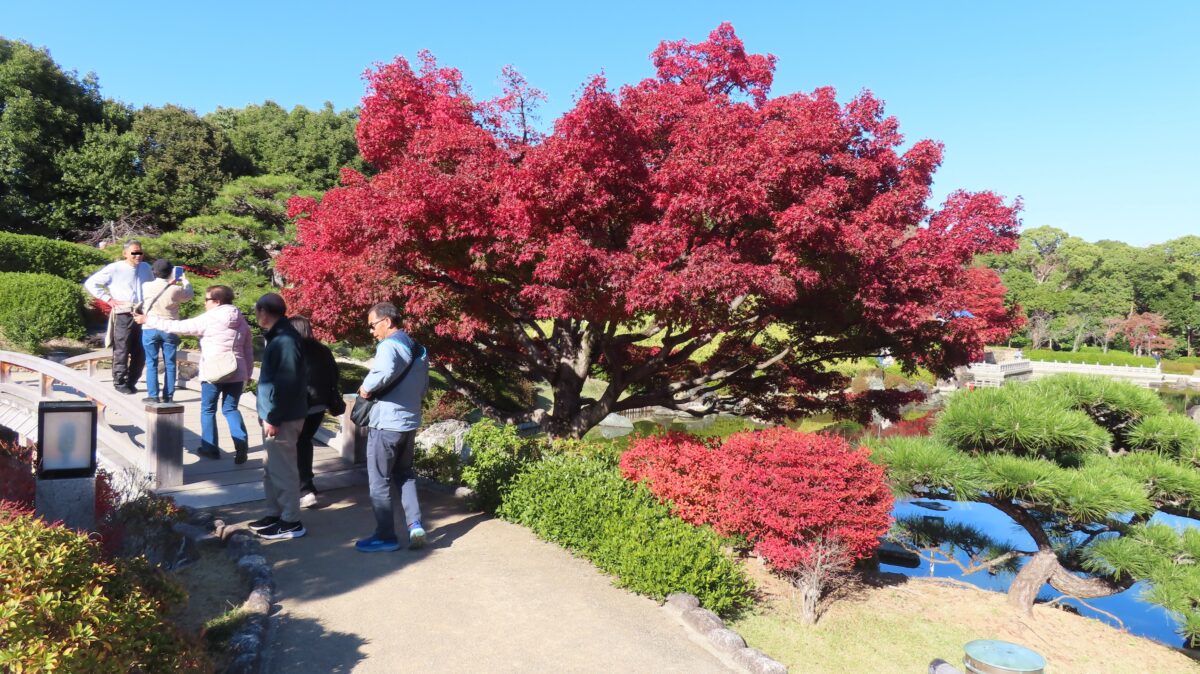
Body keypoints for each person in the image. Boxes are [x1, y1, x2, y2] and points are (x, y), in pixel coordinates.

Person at [135, 285, 253, 462]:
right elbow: (248, 350)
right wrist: (248, 373)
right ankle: (241, 443)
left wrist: (148, 320)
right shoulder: (241, 320)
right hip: (236, 370)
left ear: (217, 301)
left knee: (208, 409)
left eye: (207, 300)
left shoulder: (210, 318)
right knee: (230, 409)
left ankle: (210, 448)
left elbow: (178, 326)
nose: (204, 303)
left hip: (213, 372)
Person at [355, 301, 429, 553]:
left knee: (379, 480)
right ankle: (415, 525)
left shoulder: (388, 346)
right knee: (405, 475)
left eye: (373, 325)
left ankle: (385, 536)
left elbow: (384, 371)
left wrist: (366, 387)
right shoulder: (419, 349)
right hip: (409, 422)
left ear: (387, 321)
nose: (371, 331)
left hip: (386, 423)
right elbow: (423, 388)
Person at [246, 293, 308, 540]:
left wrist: (274, 416)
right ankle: (275, 514)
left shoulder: (285, 340)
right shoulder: (278, 337)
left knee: (283, 470)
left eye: (256, 311)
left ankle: (291, 521)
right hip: (275, 414)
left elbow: (288, 381)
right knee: (270, 468)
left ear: (263, 311)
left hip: (283, 416)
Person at [84, 240, 154, 394]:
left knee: (141, 349)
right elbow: (91, 283)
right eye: (134, 253)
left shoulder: (146, 268)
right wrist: (108, 299)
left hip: (142, 312)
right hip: (123, 312)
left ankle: (132, 380)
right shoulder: (115, 268)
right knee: (122, 348)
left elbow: (152, 287)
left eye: (140, 252)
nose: (137, 256)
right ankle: (120, 381)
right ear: (125, 254)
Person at [289, 315, 345, 509]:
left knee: (296, 444)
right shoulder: (322, 349)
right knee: (305, 442)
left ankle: (305, 488)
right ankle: (307, 483)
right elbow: (334, 374)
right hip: (319, 405)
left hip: (298, 406)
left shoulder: (293, 350)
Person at [138, 259, 193, 404]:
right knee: (170, 363)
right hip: (169, 328)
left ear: (153, 272)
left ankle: (153, 395)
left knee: (151, 362)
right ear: (171, 272)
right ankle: (168, 396)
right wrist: (185, 281)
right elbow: (189, 295)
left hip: (149, 327)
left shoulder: (146, 286)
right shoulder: (176, 289)